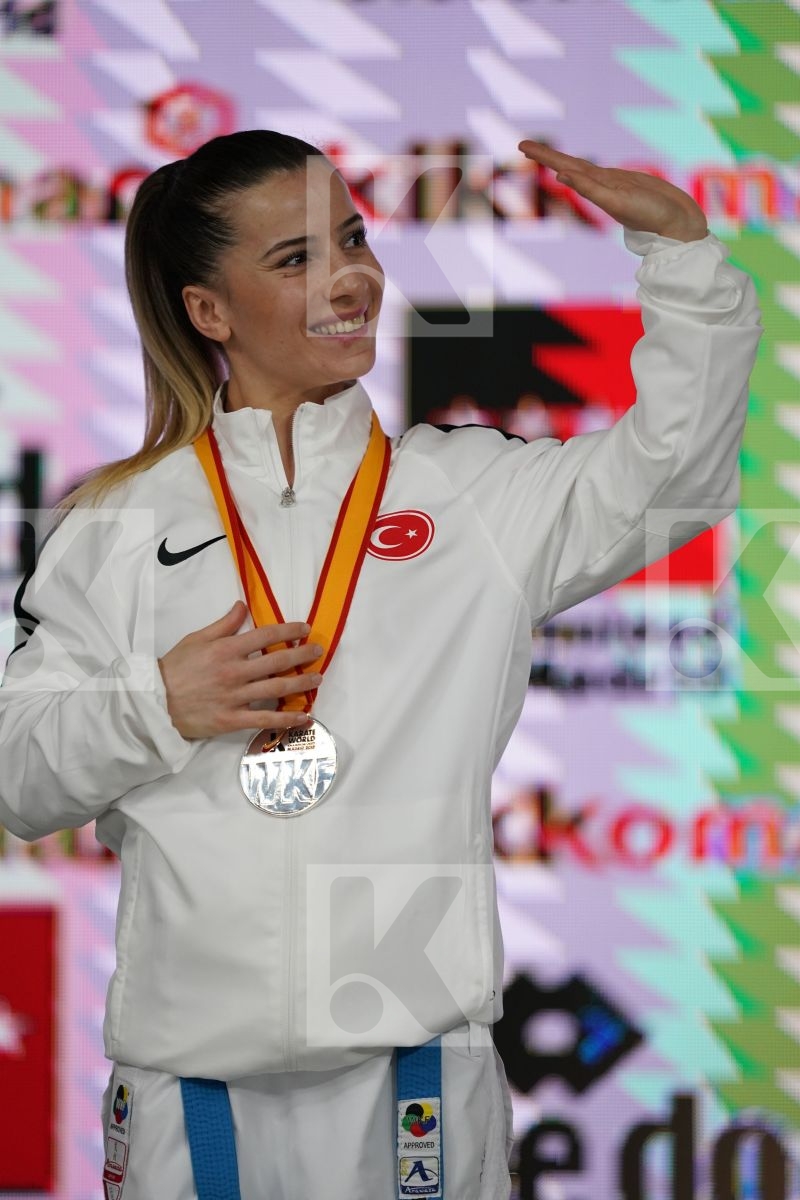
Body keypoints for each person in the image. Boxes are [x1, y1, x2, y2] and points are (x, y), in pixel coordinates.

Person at [0, 130, 762, 1200]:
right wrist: (157, 704)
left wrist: (680, 257)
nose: (350, 275)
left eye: (352, 239)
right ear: (208, 312)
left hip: (414, 1073)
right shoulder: (117, 520)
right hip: (191, 1087)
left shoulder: (469, 496)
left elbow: (676, 472)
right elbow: (17, 780)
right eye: (296, 258)